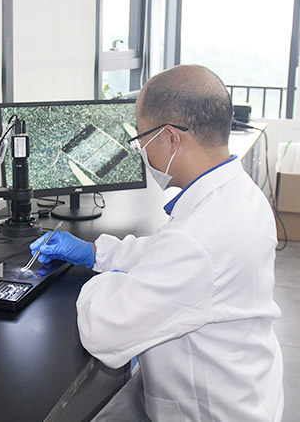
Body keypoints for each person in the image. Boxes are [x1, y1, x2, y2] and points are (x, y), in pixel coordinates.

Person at [30, 64, 284, 421]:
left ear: (171, 138)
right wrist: (96, 252)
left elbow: (104, 330)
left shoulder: (198, 238)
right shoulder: (240, 194)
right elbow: (166, 253)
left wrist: (106, 282)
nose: (142, 151)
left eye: (142, 139)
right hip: (246, 385)